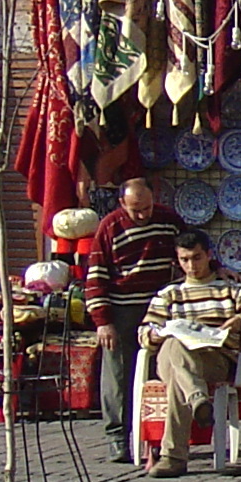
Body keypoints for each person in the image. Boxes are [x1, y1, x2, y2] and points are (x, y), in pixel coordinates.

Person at [135, 231, 241, 476]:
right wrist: (157, 335)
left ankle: (174, 457)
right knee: (174, 345)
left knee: (177, 377)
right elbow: (145, 330)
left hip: (212, 358)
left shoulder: (229, 289)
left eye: (196, 258)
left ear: (208, 256)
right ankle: (197, 400)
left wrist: (240, 321)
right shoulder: (169, 294)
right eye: (184, 260)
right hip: (174, 355)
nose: (191, 266)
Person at [84, 177, 185, 464]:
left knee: (157, 372)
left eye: (147, 208)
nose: (143, 215)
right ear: (122, 204)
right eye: (136, 210)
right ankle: (118, 436)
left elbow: (188, 250)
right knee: (118, 373)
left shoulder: (167, 219)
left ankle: (154, 438)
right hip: (122, 307)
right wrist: (103, 320)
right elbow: (95, 276)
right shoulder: (110, 227)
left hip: (158, 306)